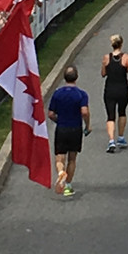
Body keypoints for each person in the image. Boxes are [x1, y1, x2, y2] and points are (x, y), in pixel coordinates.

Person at [47, 66, 91, 197]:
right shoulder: (81, 94)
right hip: (75, 128)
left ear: (64, 77)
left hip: (62, 128)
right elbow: (84, 111)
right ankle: (68, 186)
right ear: (76, 77)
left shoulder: (57, 93)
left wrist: (58, 120)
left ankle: (61, 172)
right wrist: (87, 125)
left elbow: (50, 114)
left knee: (60, 157)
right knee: (72, 158)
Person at [100, 34, 128, 152]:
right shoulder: (126, 57)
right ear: (121, 44)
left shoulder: (106, 57)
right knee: (122, 112)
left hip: (110, 89)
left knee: (110, 115)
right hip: (122, 88)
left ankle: (111, 140)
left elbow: (103, 73)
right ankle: (121, 136)